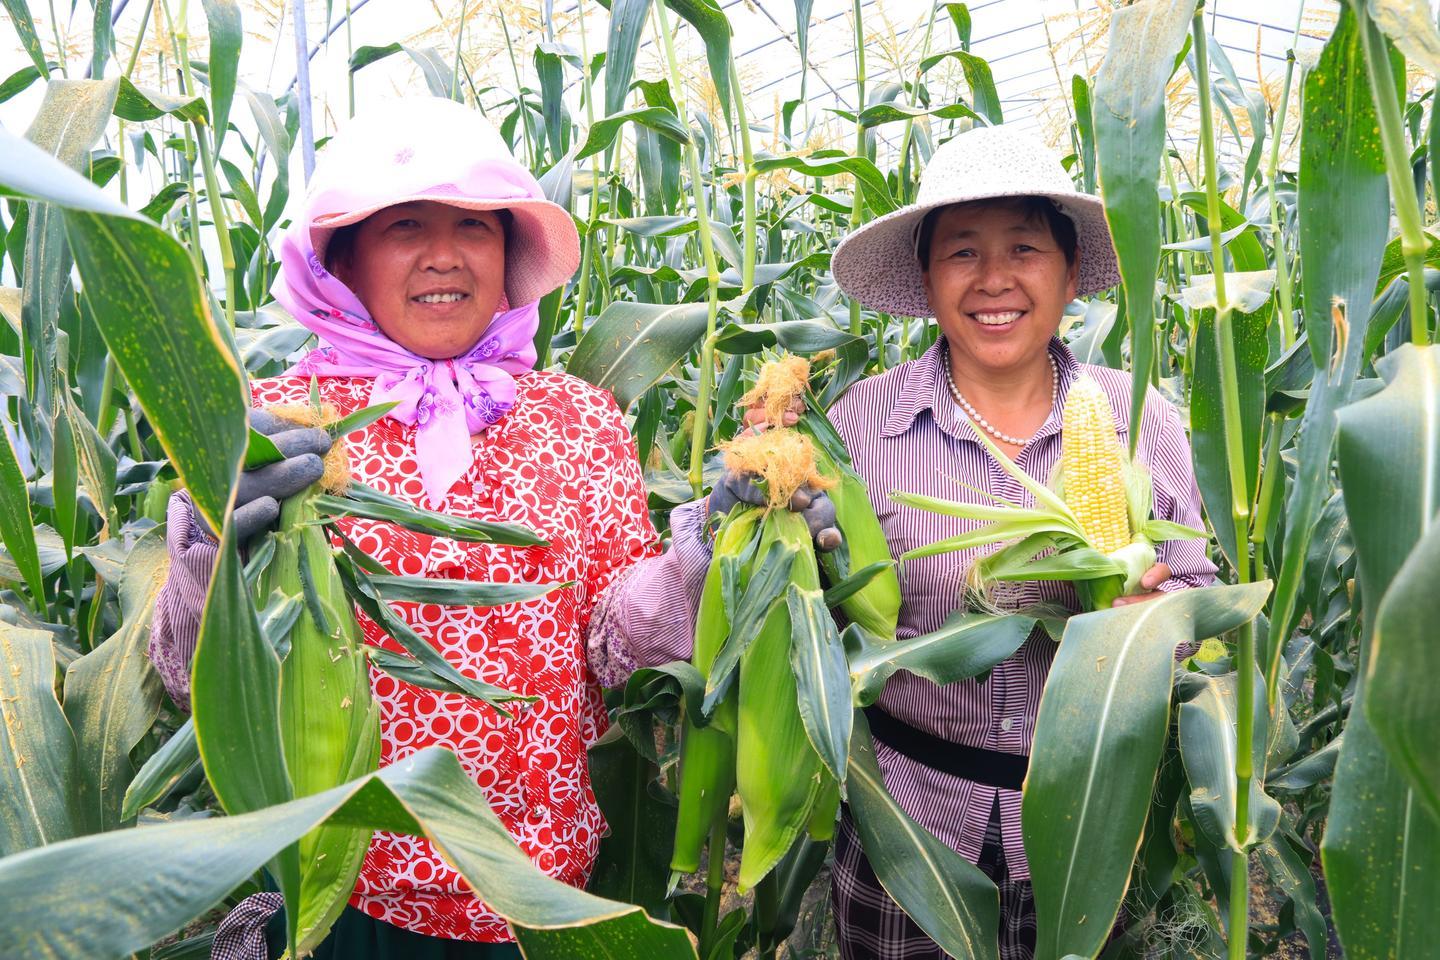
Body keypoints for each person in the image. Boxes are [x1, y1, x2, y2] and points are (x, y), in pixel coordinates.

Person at [594, 124, 1218, 959]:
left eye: (1024, 247)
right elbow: (675, 630)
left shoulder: (1142, 417)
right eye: (962, 253)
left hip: (1096, 833)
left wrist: (1156, 617)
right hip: (909, 840)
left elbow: (1199, 605)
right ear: (926, 280)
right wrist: (726, 529)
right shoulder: (857, 432)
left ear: (1071, 274)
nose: (994, 279)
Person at [148, 96, 688, 960]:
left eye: (473, 224)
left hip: (544, 894)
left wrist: (699, 566)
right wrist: (207, 555)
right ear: (344, 261)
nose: (445, 254)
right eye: (406, 224)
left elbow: (621, 641)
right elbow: (187, 680)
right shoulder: (284, 429)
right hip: (349, 889)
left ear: (508, 253)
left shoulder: (578, 418)